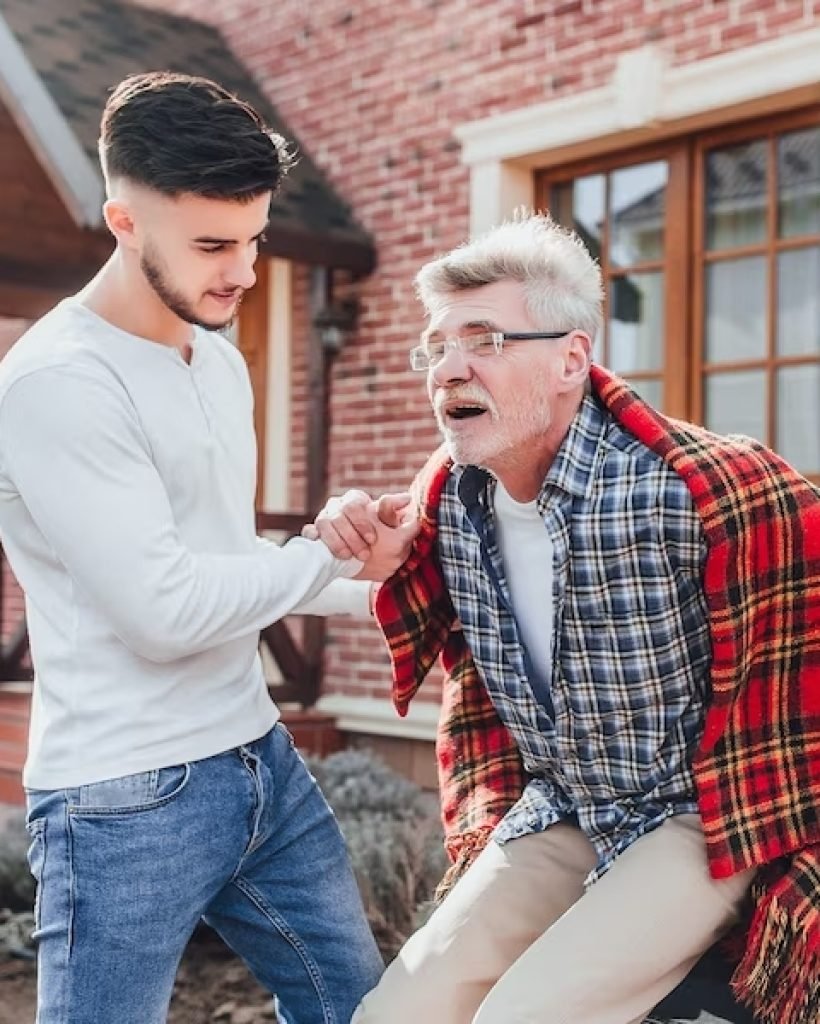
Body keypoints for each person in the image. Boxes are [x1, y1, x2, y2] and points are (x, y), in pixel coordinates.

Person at [309, 214, 820, 1024]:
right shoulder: (449, 503)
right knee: (394, 1014)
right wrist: (363, 549)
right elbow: (389, 566)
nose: (448, 369)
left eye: (483, 339)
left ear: (571, 360)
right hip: (567, 803)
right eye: (436, 346)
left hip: (700, 819)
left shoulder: (684, 493)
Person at [0, 72, 418, 1024]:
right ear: (124, 220)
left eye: (257, 239)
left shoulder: (218, 356)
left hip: (257, 759)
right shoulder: (59, 384)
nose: (243, 271)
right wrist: (331, 556)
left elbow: (230, 563)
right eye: (214, 245)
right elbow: (167, 611)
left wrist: (387, 580)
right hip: (125, 801)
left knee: (366, 1012)